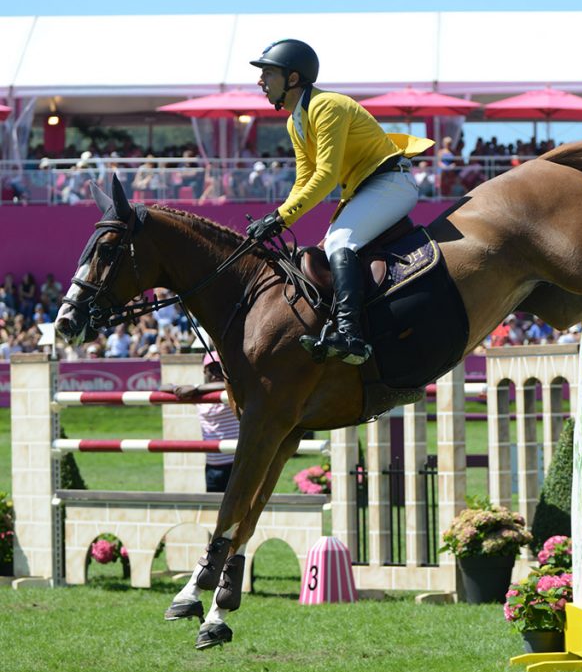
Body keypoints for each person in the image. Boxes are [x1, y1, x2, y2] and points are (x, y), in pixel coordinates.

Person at [247, 38, 433, 364]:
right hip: (367, 190)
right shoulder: (296, 121)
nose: (260, 81)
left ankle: (351, 335)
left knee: (340, 241)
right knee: (325, 248)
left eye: (268, 73)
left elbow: (327, 176)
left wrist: (281, 219)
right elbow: (304, 179)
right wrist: (277, 216)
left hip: (391, 183)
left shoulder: (326, 106)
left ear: (293, 79)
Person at [168, 352, 240, 492]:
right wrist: (176, 389)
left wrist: (197, 388)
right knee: (214, 509)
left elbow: (224, 385)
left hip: (235, 464)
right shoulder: (197, 394)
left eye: (219, 369)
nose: (215, 375)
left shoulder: (232, 392)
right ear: (204, 372)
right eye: (211, 370)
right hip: (212, 466)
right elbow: (163, 387)